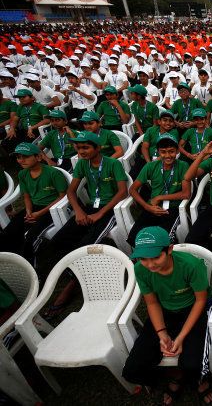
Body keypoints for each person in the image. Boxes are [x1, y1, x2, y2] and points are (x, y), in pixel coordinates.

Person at [122, 226, 212, 405]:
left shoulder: (191, 265)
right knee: (131, 370)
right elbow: (152, 302)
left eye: (156, 257)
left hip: (193, 309)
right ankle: (175, 374)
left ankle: (198, 380)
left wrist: (180, 337)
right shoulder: (140, 270)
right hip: (164, 311)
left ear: (170, 249)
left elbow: (200, 301)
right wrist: (161, 333)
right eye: (143, 258)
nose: (150, 264)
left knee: (193, 365)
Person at [45, 131, 128, 315]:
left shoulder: (113, 164)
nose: (81, 151)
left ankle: (71, 287)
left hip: (109, 210)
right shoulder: (83, 164)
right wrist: (79, 211)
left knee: (85, 246)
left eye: (86, 147)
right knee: (58, 241)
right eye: (79, 147)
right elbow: (71, 191)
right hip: (90, 208)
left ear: (97, 148)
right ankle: (77, 273)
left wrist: (100, 214)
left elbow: (122, 192)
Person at [0, 143, 67, 265]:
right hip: (33, 209)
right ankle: (10, 262)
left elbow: (62, 196)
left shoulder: (53, 173)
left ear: (39, 157)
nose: (21, 160)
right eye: (18, 157)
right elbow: (26, 196)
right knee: (9, 231)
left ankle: (30, 266)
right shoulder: (23, 174)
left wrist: (39, 213)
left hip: (53, 210)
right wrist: (29, 212)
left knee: (31, 236)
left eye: (25, 156)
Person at [126, 134, 191, 246]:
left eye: (171, 151)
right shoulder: (151, 166)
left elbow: (186, 194)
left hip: (173, 208)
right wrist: (147, 207)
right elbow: (132, 189)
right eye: (163, 152)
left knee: (162, 240)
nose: (168, 155)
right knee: (134, 238)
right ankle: (145, 260)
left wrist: (160, 197)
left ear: (177, 151)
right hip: (152, 208)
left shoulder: (183, 166)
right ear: (158, 152)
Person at [2, 89, 49, 154]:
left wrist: (32, 127)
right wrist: (12, 128)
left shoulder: (40, 107)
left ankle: (23, 158)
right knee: (6, 142)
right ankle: (13, 160)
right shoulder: (20, 107)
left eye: (24, 97)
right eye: (19, 98)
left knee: (24, 145)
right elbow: (15, 119)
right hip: (24, 131)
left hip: (37, 131)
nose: (21, 99)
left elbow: (47, 120)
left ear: (32, 98)